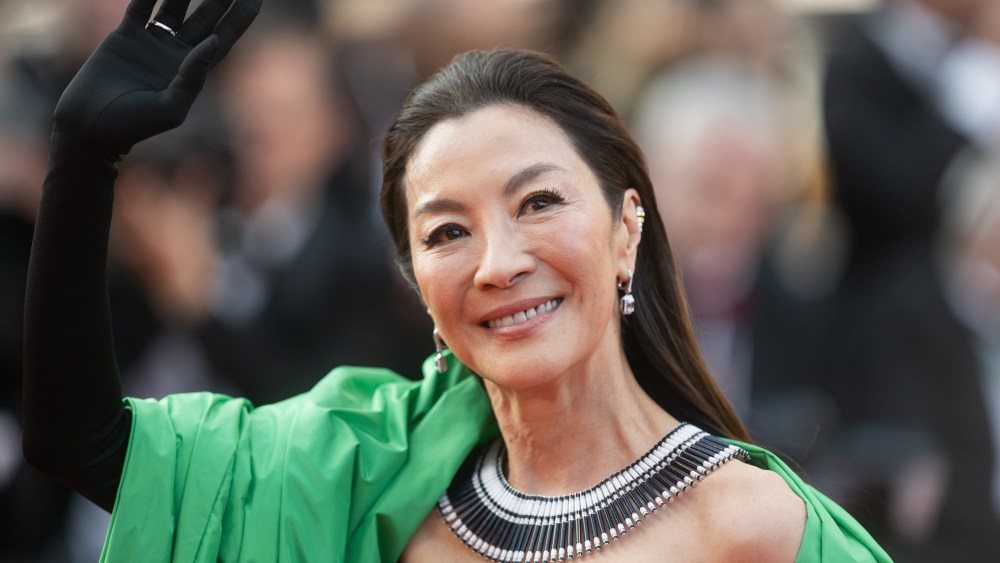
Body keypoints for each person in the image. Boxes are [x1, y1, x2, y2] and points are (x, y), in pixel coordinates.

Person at [21, 0, 889, 561]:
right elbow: (84, 444)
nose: (498, 261)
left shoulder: (755, 526)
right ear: (418, 282)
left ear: (628, 229)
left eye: (539, 202)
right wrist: (85, 160)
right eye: (447, 231)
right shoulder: (358, 473)